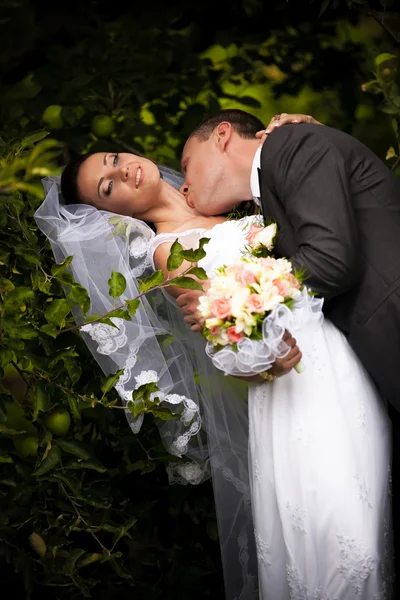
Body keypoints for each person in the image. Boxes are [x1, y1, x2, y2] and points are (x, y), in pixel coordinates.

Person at [35, 113, 393, 599]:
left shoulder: (234, 199)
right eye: (107, 187)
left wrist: (293, 130)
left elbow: (305, 204)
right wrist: (262, 356)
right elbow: (223, 340)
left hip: (341, 356)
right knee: (344, 547)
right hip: (295, 384)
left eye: (115, 160)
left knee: (369, 525)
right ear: (111, 213)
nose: (123, 173)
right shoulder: (169, 256)